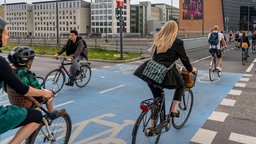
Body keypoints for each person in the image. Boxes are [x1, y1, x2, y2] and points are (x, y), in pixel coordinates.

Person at [134, 20, 196, 134]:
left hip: (152, 72)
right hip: (165, 74)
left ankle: (152, 127)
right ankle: (173, 110)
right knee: (181, 85)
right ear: (175, 30)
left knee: (157, 99)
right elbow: (184, 59)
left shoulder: (159, 41)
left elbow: (159, 58)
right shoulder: (178, 42)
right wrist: (191, 69)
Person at [0, 17, 53, 144]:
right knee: (37, 117)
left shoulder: (9, 68)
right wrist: (44, 93)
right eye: (6, 33)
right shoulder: (1, 63)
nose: (7, 37)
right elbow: (23, 89)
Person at [7, 46, 66, 120]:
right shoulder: (28, 75)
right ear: (28, 62)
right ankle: (51, 113)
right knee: (49, 94)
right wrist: (45, 93)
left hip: (15, 101)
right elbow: (37, 89)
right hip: (28, 102)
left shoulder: (9, 74)